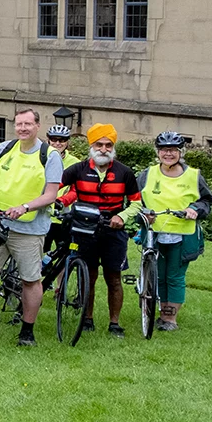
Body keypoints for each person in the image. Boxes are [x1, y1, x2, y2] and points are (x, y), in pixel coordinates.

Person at [0, 108, 63, 347]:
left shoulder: (50, 155)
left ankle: (27, 330)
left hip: (29, 229)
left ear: (37, 126)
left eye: (28, 124)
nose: (23, 128)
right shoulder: (4, 149)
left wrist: (25, 207)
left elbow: (50, 195)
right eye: (18, 124)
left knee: (30, 279)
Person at [56, 123, 142, 338]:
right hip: (85, 229)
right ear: (91, 146)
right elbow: (52, 186)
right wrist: (53, 202)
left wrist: (121, 217)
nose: (103, 149)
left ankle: (114, 323)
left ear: (113, 146)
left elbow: (137, 203)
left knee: (114, 278)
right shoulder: (78, 169)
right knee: (89, 276)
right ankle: (87, 318)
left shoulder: (124, 172)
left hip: (113, 231)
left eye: (108, 144)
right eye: (99, 144)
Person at [137, 131, 212, 332]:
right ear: (157, 152)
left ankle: (170, 318)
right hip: (155, 232)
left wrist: (194, 210)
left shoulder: (193, 175)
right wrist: (143, 215)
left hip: (183, 234)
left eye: (172, 150)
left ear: (180, 152)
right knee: (158, 275)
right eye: (164, 150)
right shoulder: (147, 174)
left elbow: (206, 201)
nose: (168, 154)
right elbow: (136, 200)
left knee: (175, 276)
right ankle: (161, 313)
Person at [44, 124, 84, 259]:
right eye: (54, 139)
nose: (57, 143)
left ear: (67, 142)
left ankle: (61, 281)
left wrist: (61, 201)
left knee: (63, 255)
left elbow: (76, 190)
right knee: (37, 254)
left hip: (64, 215)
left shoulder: (75, 163)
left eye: (62, 140)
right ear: (48, 140)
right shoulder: (41, 158)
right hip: (43, 214)